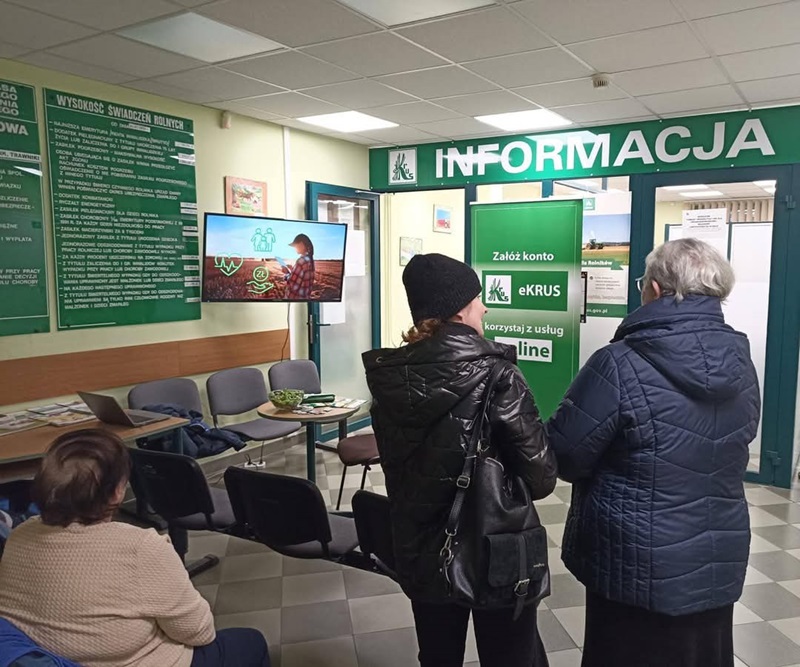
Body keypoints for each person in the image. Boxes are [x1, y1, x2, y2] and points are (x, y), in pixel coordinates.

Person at [547, 238, 760, 667]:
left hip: (633, 562)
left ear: (656, 290)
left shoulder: (618, 362)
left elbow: (565, 454)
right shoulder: (741, 361)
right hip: (716, 553)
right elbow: (740, 437)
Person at [363, 253, 557, 667]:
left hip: (420, 547)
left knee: (438, 656)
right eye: (476, 299)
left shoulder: (389, 377)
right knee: (510, 657)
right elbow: (541, 479)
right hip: (496, 550)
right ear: (458, 310)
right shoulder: (499, 375)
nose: (484, 308)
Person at [0, 429, 270, 667]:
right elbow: (200, 632)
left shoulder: (20, 533)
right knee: (250, 641)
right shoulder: (140, 547)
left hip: (43, 656)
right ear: (118, 492)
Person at [283, 233, 315, 300]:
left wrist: (286, 273)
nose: (295, 248)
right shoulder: (309, 260)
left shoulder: (301, 261)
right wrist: (292, 269)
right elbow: (302, 278)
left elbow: (292, 284)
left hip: (294, 299)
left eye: (295, 245)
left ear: (301, 244)